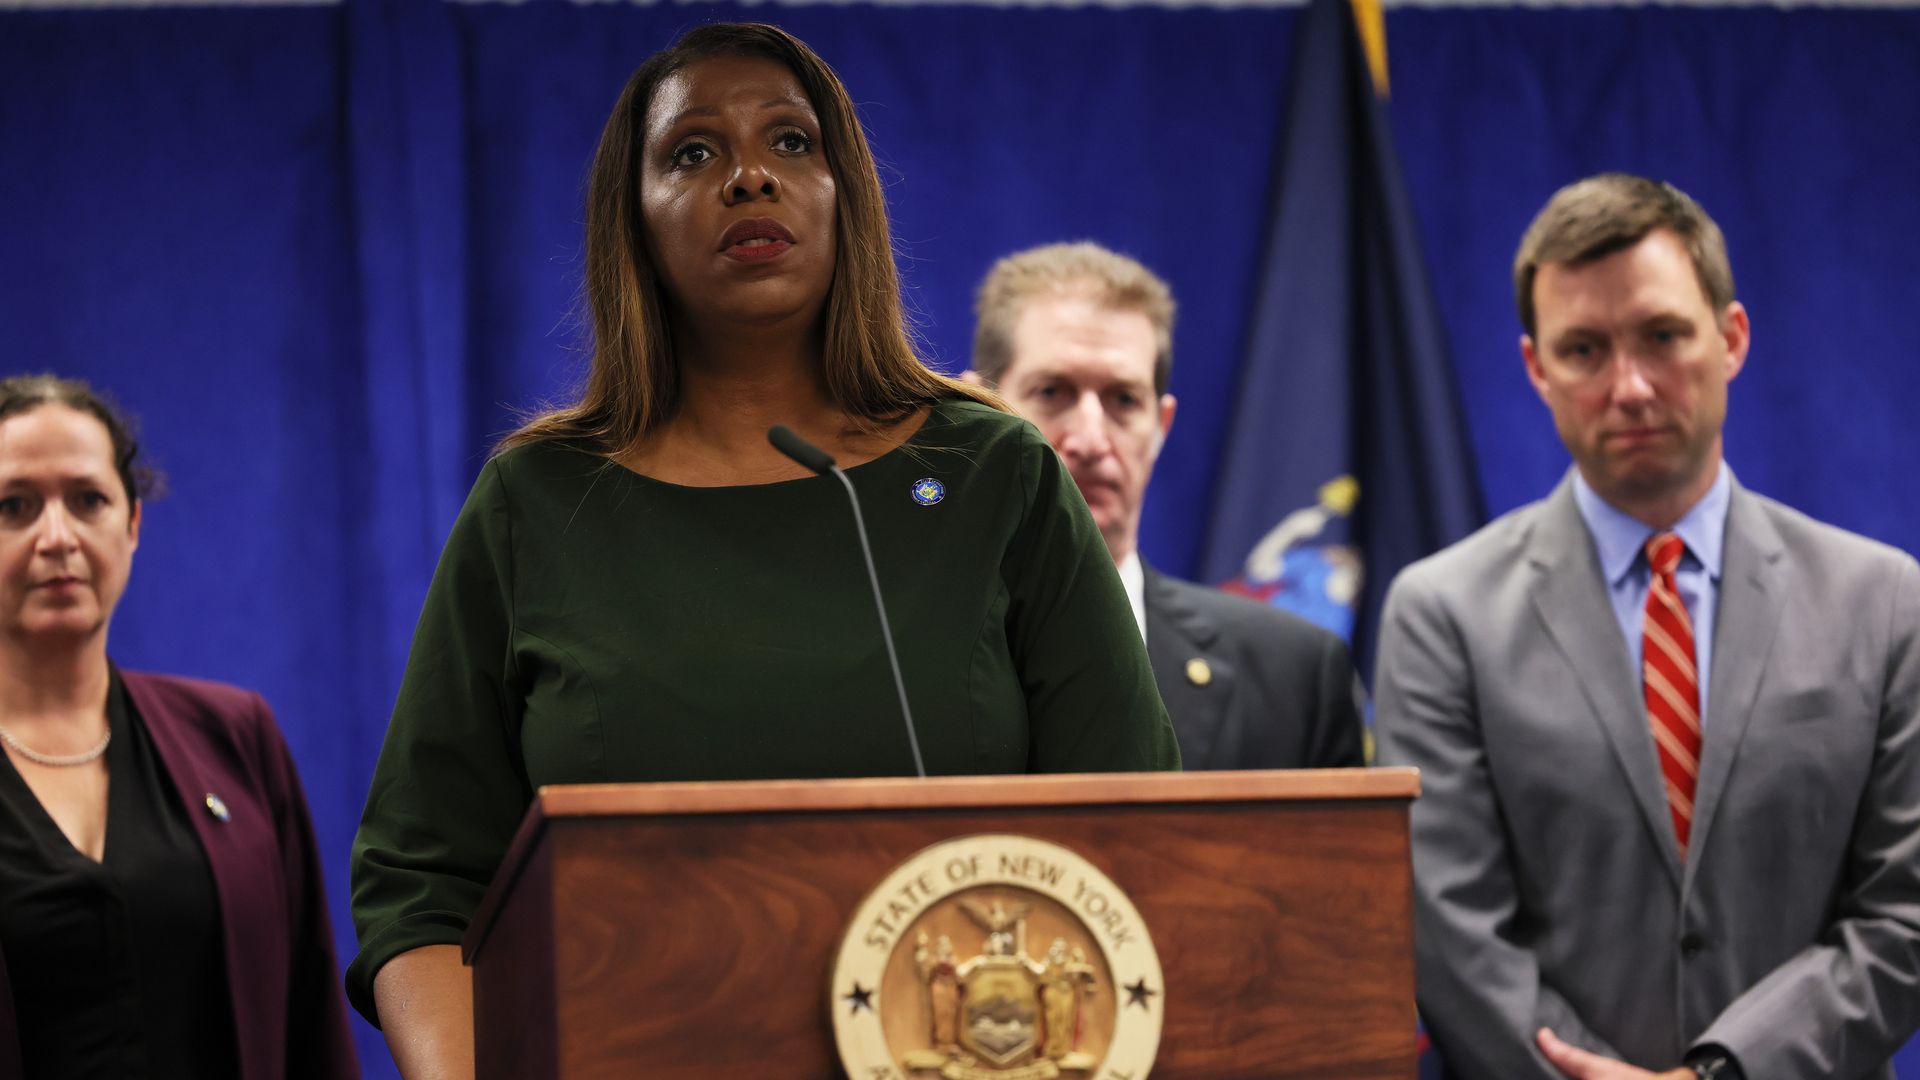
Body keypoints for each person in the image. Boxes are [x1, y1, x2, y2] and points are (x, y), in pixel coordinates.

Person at [348, 24, 1178, 1078]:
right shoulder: (538, 502)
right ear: (632, 221)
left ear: (847, 197)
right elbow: (422, 873)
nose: (749, 176)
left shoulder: (993, 474)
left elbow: (1140, 827)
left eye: (791, 143)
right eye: (692, 153)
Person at [1375, 174, 1920, 1079]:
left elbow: (1905, 910)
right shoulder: (1444, 616)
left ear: (1731, 338)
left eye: (1662, 337)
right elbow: (1451, 926)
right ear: (1535, 368)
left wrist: (1724, 1073)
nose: (1628, 386)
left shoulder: (1884, 600)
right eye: (1583, 349)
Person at [0, 374, 359, 1079]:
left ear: (132, 524)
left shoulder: (237, 737)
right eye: (14, 506)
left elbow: (312, 1015)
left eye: (87, 499)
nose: (57, 536)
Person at [966, 242, 1363, 769]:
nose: (1090, 438)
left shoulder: (1296, 676)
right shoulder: (897, 653)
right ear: (979, 413)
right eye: (1052, 391)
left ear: (1161, 426)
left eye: (1123, 400)